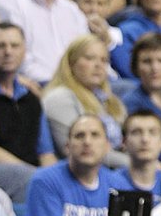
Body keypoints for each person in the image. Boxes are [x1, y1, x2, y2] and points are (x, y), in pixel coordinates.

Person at [0, 21, 56, 201]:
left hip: (31, 174)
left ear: (24, 51)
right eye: (0, 46)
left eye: (15, 45)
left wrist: (54, 179)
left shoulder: (32, 97)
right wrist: (36, 176)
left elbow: (46, 153)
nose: (8, 52)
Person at [24, 112, 117, 216]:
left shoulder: (117, 184)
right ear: (67, 147)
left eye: (95, 135)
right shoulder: (45, 181)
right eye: (79, 136)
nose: (87, 142)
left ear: (107, 146)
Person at [41, 34, 127, 165]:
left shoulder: (110, 101)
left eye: (104, 60)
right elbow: (81, 151)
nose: (98, 65)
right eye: (90, 58)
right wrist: (135, 164)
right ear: (71, 63)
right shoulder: (60, 98)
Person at [110, 110, 161, 201]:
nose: (145, 139)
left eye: (152, 132)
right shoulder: (110, 184)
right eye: (136, 132)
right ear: (124, 142)